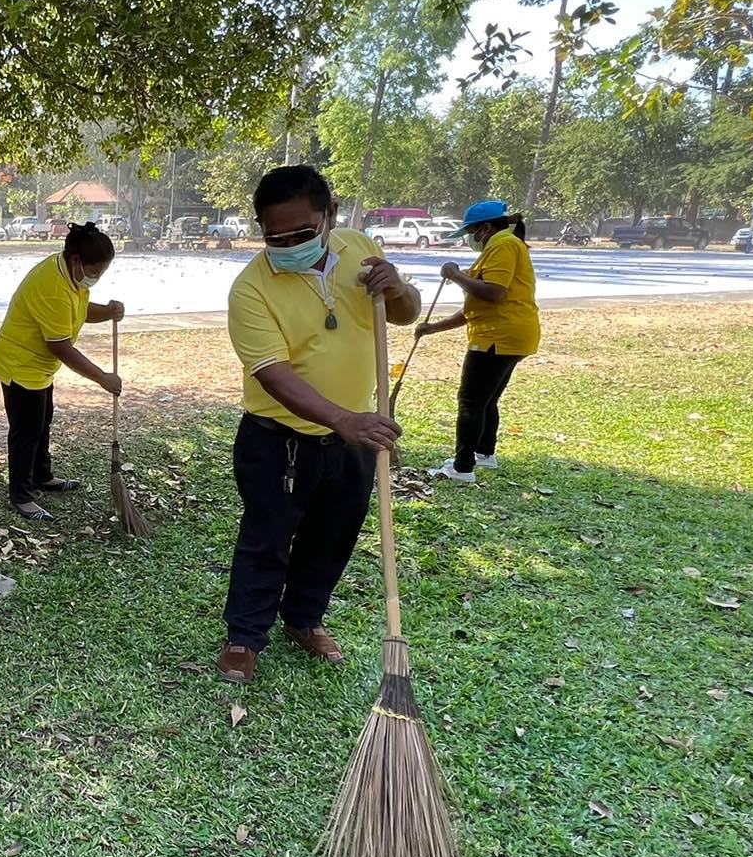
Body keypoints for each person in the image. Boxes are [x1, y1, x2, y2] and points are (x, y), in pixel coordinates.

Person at [217, 165, 420, 681]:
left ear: (329, 216)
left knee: (333, 535)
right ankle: (245, 636)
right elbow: (273, 374)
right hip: (277, 439)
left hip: (354, 435)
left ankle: (304, 619)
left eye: (302, 233)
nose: (287, 243)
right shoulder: (250, 290)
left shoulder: (358, 245)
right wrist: (341, 419)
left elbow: (405, 314)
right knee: (267, 535)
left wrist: (396, 286)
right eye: (274, 236)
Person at [0, 221, 124, 521]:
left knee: (43, 420)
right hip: (20, 364)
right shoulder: (51, 285)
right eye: (96, 272)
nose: (97, 279)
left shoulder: (71, 277)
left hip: (40, 367)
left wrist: (108, 312)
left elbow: (80, 310)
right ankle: (21, 495)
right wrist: (103, 378)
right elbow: (60, 347)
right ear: (77, 260)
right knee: (26, 430)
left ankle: (42, 476)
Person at [417, 198, 540, 482]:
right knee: (487, 399)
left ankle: (462, 468)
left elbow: (493, 292)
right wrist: (433, 328)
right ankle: (484, 453)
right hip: (509, 333)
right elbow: (476, 308)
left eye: (473, 233)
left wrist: (455, 275)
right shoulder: (504, 245)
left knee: (470, 401)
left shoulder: (504, 245)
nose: (472, 239)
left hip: (497, 337)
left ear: (485, 228)